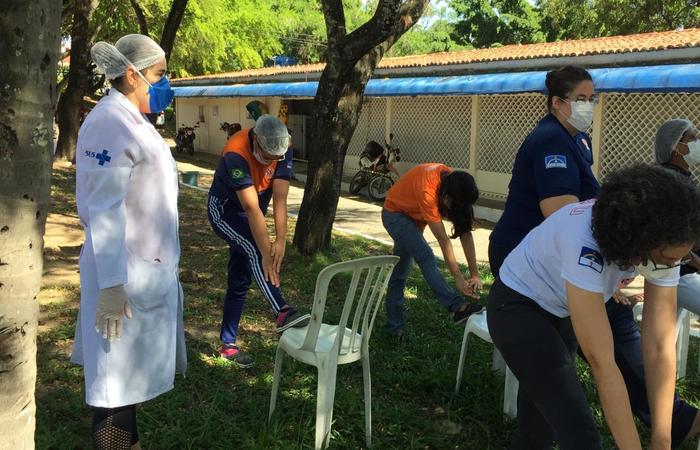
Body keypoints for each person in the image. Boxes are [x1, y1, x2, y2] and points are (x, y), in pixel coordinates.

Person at [488, 66, 700, 448]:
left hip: (561, 297)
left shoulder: (664, 241)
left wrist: (662, 438)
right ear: (641, 241)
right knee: (579, 430)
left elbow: (658, 346)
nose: (669, 269)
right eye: (666, 261)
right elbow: (604, 368)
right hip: (518, 303)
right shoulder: (587, 244)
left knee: (545, 414)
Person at [71, 34, 186, 449]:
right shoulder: (108, 123)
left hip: (142, 273)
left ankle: (131, 445)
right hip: (119, 279)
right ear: (133, 75)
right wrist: (112, 284)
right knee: (112, 389)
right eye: (160, 75)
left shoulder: (133, 120)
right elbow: (103, 209)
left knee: (126, 384)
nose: (166, 83)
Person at [208, 114, 309, 367]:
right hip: (226, 212)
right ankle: (281, 311)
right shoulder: (236, 153)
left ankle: (227, 345)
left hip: (254, 210)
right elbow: (251, 209)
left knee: (240, 279)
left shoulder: (282, 146)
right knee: (254, 249)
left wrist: (281, 240)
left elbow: (281, 199)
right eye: (267, 156)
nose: (272, 162)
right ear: (256, 140)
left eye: (277, 158)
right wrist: (266, 250)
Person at [381, 163, 484, 340]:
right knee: (426, 256)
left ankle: (393, 328)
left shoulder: (456, 185)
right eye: (455, 205)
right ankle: (457, 307)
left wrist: (474, 274)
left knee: (399, 274)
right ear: (446, 196)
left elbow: (465, 233)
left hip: (414, 217)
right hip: (395, 214)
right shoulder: (428, 191)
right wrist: (458, 278)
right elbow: (443, 240)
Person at [655, 119, 700, 316]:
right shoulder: (669, 182)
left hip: (685, 271)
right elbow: (670, 238)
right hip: (678, 273)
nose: (697, 142)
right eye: (692, 138)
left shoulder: (681, 178)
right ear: (675, 147)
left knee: (666, 337)